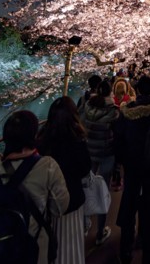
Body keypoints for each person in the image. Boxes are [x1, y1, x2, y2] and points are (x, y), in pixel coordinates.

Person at [0, 110, 69, 264]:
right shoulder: (49, 167)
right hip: (33, 253)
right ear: (34, 135)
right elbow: (60, 208)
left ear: (5, 137)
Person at [114, 75, 150, 264]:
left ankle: (125, 251)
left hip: (131, 167)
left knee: (129, 205)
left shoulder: (127, 111)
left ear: (137, 89)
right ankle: (148, 255)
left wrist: (120, 163)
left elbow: (118, 139)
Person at [36, 97, 91, 264]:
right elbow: (84, 169)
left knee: (49, 246)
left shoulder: (41, 140)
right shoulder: (77, 140)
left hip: (45, 203)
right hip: (71, 201)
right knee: (70, 247)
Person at [81, 79, 119, 245]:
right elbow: (118, 136)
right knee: (103, 191)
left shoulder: (88, 107)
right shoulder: (114, 111)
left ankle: (84, 223)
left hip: (90, 152)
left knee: (86, 186)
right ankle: (100, 232)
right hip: (106, 154)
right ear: (110, 92)